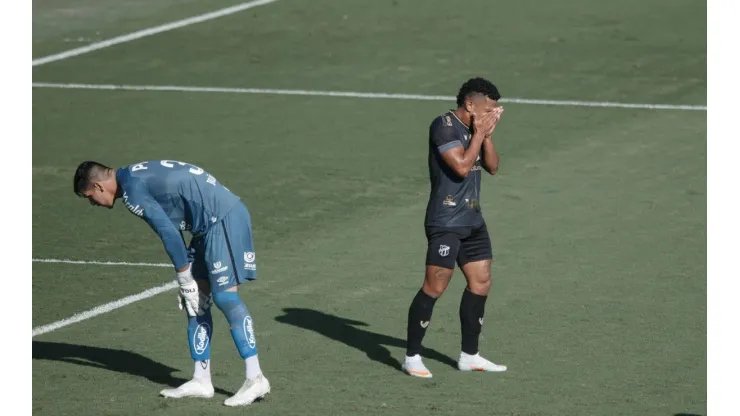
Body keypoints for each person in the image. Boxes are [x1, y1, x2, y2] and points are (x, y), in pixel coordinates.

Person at [73, 159, 269, 406]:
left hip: (223, 220)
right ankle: (201, 379)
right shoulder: (132, 178)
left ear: (99, 186)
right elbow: (172, 228)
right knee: (195, 301)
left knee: (225, 298)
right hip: (205, 228)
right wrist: (187, 279)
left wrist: (184, 276)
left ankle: (256, 378)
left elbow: (166, 231)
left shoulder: (133, 191)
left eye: (89, 196)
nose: (93, 203)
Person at [403, 78, 507, 378]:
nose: (491, 114)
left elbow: (493, 166)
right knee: (435, 287)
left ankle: (469, 355)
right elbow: (461, 166)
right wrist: (479, 133)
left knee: (481, 283)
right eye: (487, 109)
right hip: (446, 221)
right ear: (470, 104)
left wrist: (485, 136)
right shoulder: (444, 125)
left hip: (473, 220)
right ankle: (412, 357)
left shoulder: (477, 129)